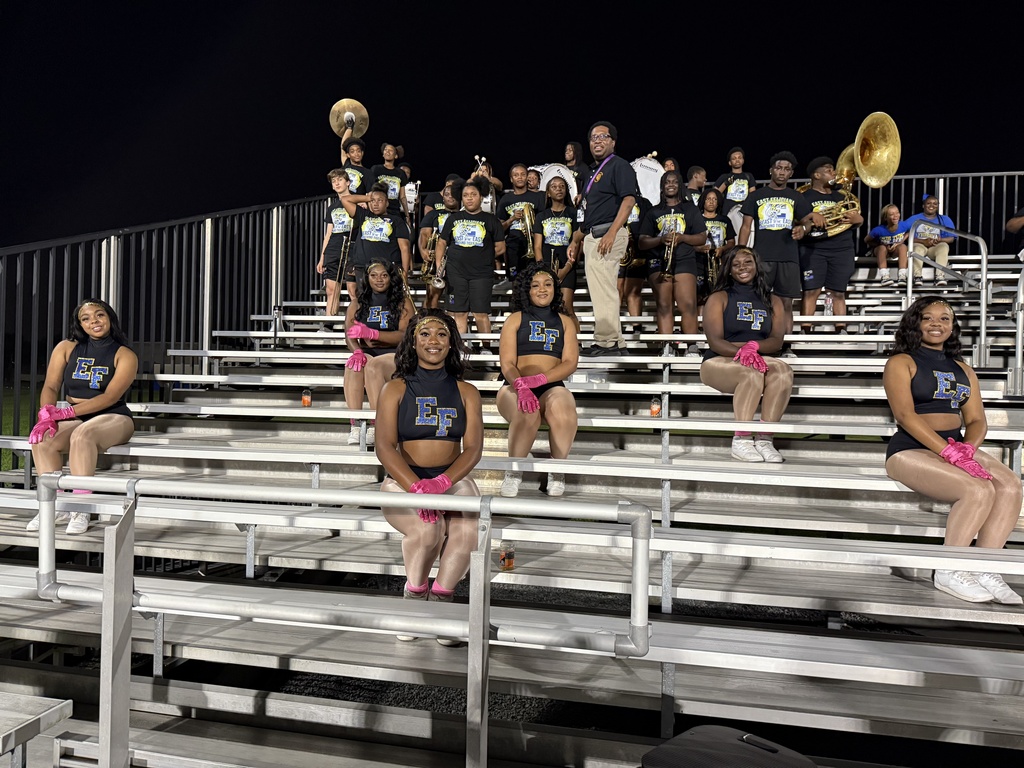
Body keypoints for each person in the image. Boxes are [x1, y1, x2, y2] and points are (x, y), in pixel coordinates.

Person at [882, 297, 1021, 604]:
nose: (937, 324)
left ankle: (985, 567)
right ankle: (948, 570)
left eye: (944, 318)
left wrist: (967, 449)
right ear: (915, 323)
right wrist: (948, 453)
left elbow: (975, 420)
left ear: (952, 326)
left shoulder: (963, 369)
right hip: (911, 448)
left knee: (1010, 485)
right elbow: (905, 416)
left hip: (954, 444)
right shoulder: (900, 362)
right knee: (978, 489)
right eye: (928, 317)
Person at [375, 310, 483, 636]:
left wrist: (442, 482)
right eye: (424, 334)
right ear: (413, 341)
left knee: (468, 531)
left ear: (452, 344)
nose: (432, 341)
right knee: (428, 529)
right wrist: (417, 487)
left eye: (441, 334)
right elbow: (384, 447)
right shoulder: (394, 388)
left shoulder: (468, 391)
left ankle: (441, 601)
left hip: (450, 479)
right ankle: (415, 592)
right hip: (403, 481)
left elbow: (473, 449)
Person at [27, 299, 138, 535]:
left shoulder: (125, 354)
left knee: (83, 435)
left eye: (99, 315)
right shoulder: (66, 347)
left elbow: (109, 397)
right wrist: (47, 413)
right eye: (86, 318)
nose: (94, 322)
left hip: (113, 415)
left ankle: (81, 507)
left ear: (109, 318)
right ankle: (54, 504)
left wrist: (66, 413)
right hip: (77, 414)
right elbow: (50, 385)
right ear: (80, 324)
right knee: (43, 437)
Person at [700, 247, 793, 463]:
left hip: (756, 355)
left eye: (747, 262)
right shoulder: (719, 297)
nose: (742, 267)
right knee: (751, 372)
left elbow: (776, 341)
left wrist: (753, 347)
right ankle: (741, 440)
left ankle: (764, 440)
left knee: (783, 370)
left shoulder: (773, 300)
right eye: (736, 264)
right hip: (718, 360)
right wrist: (744, 352)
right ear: (729, 270)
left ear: (756, 265)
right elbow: (715, 341)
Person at [496, 263, 579, 498]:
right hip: (514, 385)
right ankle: (513, 471)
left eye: (548, 284)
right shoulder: (515, 319)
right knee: (527, 410)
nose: (542, 289)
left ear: (555, 288)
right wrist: (522, 384)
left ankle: (557, 470)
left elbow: (570, 363)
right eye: (535, 285)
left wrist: (541, 379)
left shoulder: (565, 321)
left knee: (564, 406)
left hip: (551, 385)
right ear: (527, 290)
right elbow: (507, 363)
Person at [738, 152, 823, 347]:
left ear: (791, 173)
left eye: (786, 169)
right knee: (759, 302)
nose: (782, 172)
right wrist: (741, 251)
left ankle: (786, 346)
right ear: (771, 170)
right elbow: (745, 226)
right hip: (762, 257)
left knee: (786, 304)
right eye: (778, 168)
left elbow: (808, 222)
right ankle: (759, 342)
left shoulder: (796, 197)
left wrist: (803, 229)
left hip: (788, 257)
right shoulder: (756, 195)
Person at [571, 121, 639, 356]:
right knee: (601, 288)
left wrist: (612, 232)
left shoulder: (619, 166)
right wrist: (576, 238)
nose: (597, 141)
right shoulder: (594, 170)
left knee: (604, 289)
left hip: (607, 233)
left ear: (613, 142)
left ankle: (607, 342)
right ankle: (615, 342)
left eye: (603, 136)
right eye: (593, 138)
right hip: (595, 233)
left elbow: (629, 200)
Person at [344, 260, 417, 446]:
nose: (379, 279)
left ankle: (379, 426)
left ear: (390, 278)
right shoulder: (357, 303)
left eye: (384, 275)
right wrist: (357, 351)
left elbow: (404, 335)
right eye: (374, 275)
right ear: (367, 278)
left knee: (374, 366)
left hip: (395, 354)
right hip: (368, 352)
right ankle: (356, 425)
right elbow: (349, 334)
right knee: (355, 365)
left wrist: (374, 334)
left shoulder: (403, 302)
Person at [638, 171, 706, 355]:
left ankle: (691, 346)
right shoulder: (653, 211)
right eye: (667, 182)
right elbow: (642, 241)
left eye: (674, 182)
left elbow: (702, 237)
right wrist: (661, 240)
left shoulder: (690, 209)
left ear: (680, 185)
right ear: (662, 186)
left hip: (684, 260)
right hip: (660, 262)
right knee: (664, 304)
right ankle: (667, 346)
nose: (670, 185)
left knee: (688, 304)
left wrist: (682, 238)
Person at [434, 176, 506, 339]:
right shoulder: (453, 219)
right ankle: (461, 350)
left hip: (481, 274)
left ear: (481, 196)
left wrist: (483, 256)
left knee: (481, 313)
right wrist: (440, 266)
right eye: (466, 195)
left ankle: (486, 350)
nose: (469, 198)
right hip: (455, 272)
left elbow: (501, 247)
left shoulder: (491, 220)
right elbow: (441, 243)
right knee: (459, 313)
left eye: (473, 194)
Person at [799, 156, 863, 334]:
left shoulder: (843, 196)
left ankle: (841, 330)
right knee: (811, 291)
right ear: (816, 175)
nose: (834, 173)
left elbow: (852, 219)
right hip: (813, 249)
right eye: (828, 170)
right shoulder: (803, 197)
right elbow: (798, 222)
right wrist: (812, 216)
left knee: (838, 292)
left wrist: (859, 220)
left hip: (842, 248)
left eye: (833, 169)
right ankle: (805, 331)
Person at [341, 183, 413, 296]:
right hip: (364, 268)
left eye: (380, 200)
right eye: (373, 201)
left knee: (389, 301)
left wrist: (404, 272)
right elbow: (345, 199)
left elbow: (404, 248)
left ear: (387, 202)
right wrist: (367, 197)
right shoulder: (363, 215)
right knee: (364, 301)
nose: (375, 204)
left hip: (388, 269)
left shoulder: (396, 221)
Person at [532, 175, 581, 332]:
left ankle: (577, 344)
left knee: (567, 308)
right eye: (554, 187)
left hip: (568, 265)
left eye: (562, 186)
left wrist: (566, 269)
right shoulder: (541, 216)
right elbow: (538, 247)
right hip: (546, 266)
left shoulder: (573, 214)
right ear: (547, 192)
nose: (558, 189)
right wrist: (544, 270)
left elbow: (577, 242)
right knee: (550, 309)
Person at [317, 169, 355, 317]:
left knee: (353, 290)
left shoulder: (358, 202)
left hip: (352, 248)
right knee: (331, 289)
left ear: (348, 182)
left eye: (340, 180)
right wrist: (322, 257)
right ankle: (329, 323)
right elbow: (328, 233)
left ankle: (356, 323)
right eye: (334, 181)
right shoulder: (332, 207)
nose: (337, 183)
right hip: (333, 249)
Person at [497, 164, 546, 281]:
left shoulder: (538, 196)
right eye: (516, 175)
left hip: (533, 242)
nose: (519, 177)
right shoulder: (505, 199)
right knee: (516, 281)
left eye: (523, 174)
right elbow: (499, 229)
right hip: (513, 245)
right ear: (511, 179)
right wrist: (512, 219)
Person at [418, 182, 460, 309]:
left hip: (458, 258)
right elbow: (424, 234)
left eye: (453, 194)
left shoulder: (464, 215)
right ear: (443, 198)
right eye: (447, 194)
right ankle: (429, 321)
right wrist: (423, 250)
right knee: (432, 297)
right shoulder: (433, 214)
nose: (450, 197)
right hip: (436, 258)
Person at [694, 187, 736, 302]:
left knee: (718, 293)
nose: (711, 202)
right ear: (703, 201)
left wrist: (722, 248)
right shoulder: (695, 220)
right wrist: (698, 248)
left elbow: (732, 242)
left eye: (715, 199)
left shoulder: (725, 220)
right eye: (708, 199)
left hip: (719, 262)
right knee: (699, 296)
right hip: (699, 262)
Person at [905, 194, 956, 287]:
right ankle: (917, 276)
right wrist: (923, 241)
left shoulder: (944, 219)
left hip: (935, 246)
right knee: (916, 248)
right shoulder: (914, 218)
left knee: (944, 246)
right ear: (923, 205)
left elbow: (951, 238)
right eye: (928, 203)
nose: (932, 206)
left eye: (935, 203)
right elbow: (904, 235)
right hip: (920, 245)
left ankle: (940, 276)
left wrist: (940, 240)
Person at [865, 204, 911, 286]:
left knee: (903, 247)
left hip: (895, 250)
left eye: (897, 213)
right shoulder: (878, 230)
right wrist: (881, 244)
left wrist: (901, 241)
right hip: (883, 251)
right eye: (891, 214)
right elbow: (866, 240)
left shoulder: (904, 225)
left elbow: (910, 231)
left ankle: (902, 276)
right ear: (885, 217)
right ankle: (884, 276)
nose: (895, 216)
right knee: (881, 248)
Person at [368, 142, 410, 219]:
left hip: (394, 210)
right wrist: (371, 209)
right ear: (383, 154)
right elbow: (370, 191)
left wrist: (407, 215)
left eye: (391, 150)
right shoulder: (376, 169)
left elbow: (402, 196)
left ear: (396, 156)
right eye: (386, 150)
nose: (387, 151)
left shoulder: (400, 173)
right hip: (379, 209)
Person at [714, 147, 757, 211]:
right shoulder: (724, 176)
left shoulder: (749, 176)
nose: (737, 160)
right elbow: (714, 194)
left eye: (739, 158)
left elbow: (753, 195)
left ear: (743, 160)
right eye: (734, 158)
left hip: (744, 210)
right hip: (728, 211)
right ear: (730, 162)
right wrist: (725, 183)